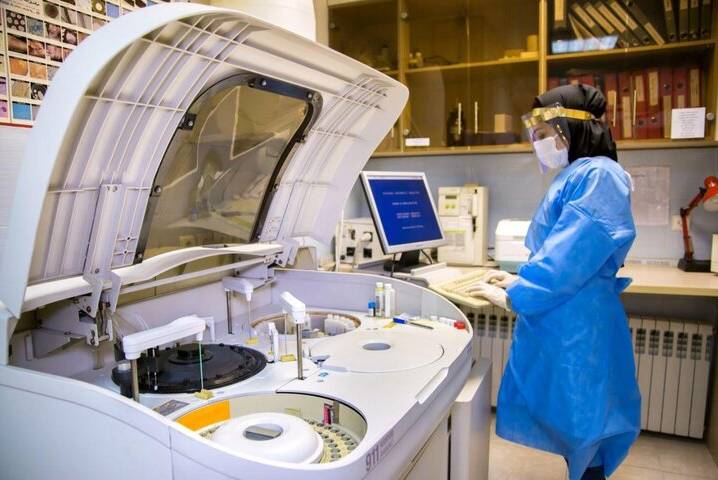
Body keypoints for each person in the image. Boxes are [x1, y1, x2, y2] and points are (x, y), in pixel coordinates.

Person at [468, 84, 640, 480]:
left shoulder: (599, 174)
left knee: (587, 424)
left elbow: (569, 259)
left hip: (578, 322)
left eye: (543, 133)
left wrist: (515, 295)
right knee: (576, 422)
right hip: (567, 313)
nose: (537, 143)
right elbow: (559, 252)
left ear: (568, 128)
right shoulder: (578, 174)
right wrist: (517, 279)